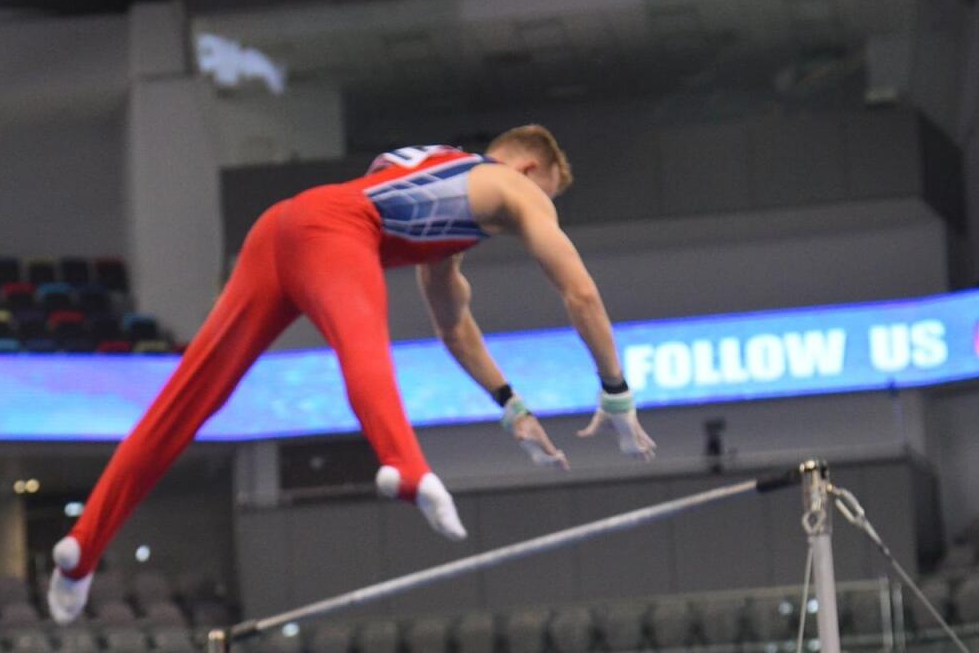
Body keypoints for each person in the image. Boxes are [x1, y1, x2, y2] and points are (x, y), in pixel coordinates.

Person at [48, 125, 657, 624]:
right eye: (544, 198)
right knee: (364, 342)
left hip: (277, 230)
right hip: (335, 233)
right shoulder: (513, 188)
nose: (529, 217)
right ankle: (408, 466)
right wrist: (616, 391)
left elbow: (454, 326)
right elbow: (579, 291)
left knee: (189, 399)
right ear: (527, 171)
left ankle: (81, 552)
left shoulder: (446, 188)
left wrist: (512, 406)